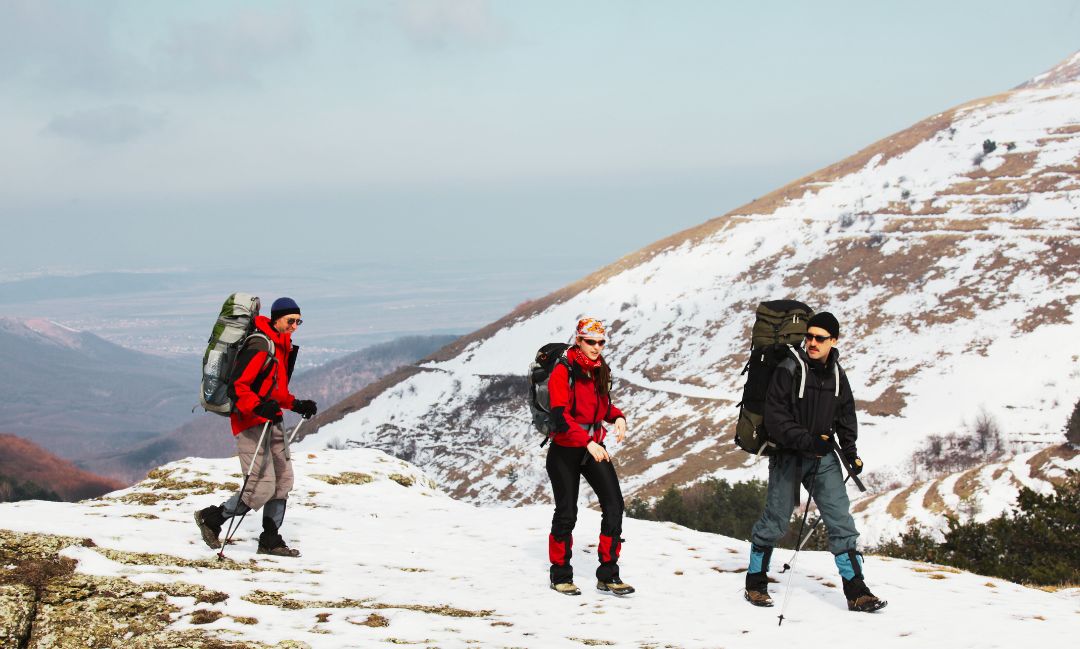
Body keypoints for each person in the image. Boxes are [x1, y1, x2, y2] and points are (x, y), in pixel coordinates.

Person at [743, 311, 886, 612]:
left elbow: (846, 415)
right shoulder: (789, 367)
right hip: (789, 457)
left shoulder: (837, 374)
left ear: (833, 341)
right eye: (809, 336)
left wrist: (851, 453)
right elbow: (775, 417)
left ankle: (856, 591)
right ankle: (755, 581)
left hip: (822, 457)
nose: (812, 342)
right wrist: (807, 440)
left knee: (841, 521)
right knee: (776, 520)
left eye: (819, 338)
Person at [194, 297, 318, 557]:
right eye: (291, 321)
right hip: (250, 422)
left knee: (283, 481)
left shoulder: (280, 346)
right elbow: (239, 387)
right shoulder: (260, 344)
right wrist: (259, 406)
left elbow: (276, 391)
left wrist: (297, 404)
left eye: (299, 321)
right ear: (276, 318)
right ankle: (212, 518)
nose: (295, 326)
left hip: (272, 421)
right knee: (261, 487)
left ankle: (270, 540)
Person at [546, 317, 634, 596]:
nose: (597, 347)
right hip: (565, 450)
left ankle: (608, 574)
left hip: (593, 447)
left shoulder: (598, 369)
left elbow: (602, 406)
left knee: (614, 506)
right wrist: (586, 442)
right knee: (567, 513)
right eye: (591, 342)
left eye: (601, 342)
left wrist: (617, 417)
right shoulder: (564, 370)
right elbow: (561, 416)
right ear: (578, 340)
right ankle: (560, 575)